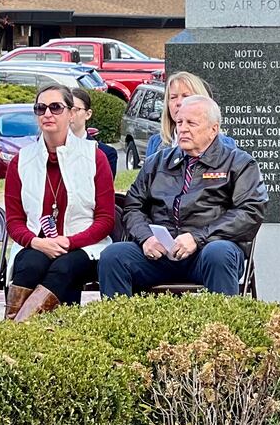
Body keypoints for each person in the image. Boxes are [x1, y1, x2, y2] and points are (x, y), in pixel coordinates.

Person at [100, 94, 266, 295]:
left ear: (213, 129)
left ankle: (221, 327)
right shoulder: (157, 162)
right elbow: (133, 206)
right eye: (179, 122)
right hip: (161, 253)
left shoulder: (239, 163)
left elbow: (250, 212)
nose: (182, 129)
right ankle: (119, 326)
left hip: (208, 250)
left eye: (191, 123)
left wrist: (198, 237)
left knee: (219, 253)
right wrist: (146, 238)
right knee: (113, 256)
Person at [3, 84, 115, 319]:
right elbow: (14, 221)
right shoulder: (20, 161)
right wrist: (36, 242)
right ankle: (16, 327)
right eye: (40, 108)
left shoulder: (95, 157)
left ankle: (17, 329)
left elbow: (105, 219)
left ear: (71, 113)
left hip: (85, 246)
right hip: (35, 243)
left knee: (64, 267)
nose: (47, 114)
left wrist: (69, 241)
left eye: (56, 107)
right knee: (31, 264)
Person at [143, 70, 240, 161]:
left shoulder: (226, 144)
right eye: (173, 97)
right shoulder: (156, 143)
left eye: (186, 96)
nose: (179, 102)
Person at [69, 86, 118, 175]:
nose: (70, 114)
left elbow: (105, 187)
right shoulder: (49, 149)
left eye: (75, 109)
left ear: (88, 114)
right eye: (67, 109)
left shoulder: (106, 153)